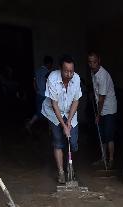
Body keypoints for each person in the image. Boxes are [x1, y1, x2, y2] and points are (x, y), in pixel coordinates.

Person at [42, 55, 82, 184]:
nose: (69, 74)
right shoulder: (52, 78)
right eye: (66, 71)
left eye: (71, 71)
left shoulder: (76, 78)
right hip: (55, 113)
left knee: (73, 142)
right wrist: (63, 126)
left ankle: (70, 167)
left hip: (70, 111)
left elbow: (76, 101)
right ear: (60, 69)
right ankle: (61, 172)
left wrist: (69, 121)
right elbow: (54, 104)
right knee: (58, 141)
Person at [87, 52, 117, 167]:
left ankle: (111, 160)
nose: (92, 64)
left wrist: (98, 115)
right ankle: (103, 158)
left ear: (99, 60)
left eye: (94, 62)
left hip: (108, 109)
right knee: (102, 135)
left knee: (109, 136)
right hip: (101, 108)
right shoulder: (93, 72)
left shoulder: (102, 75)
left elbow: (102, 99)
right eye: (90, 62)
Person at [25, 56, 53, 134]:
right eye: (51, 64)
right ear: (49, 63)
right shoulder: (47, 72)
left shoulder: (37, 71)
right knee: (48, 112)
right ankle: (50, 129)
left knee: (41, 112)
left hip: (38, 95)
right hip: (45, 95)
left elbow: (33, 81)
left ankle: (30, 123)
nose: (51, 66)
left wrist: (36, 89)